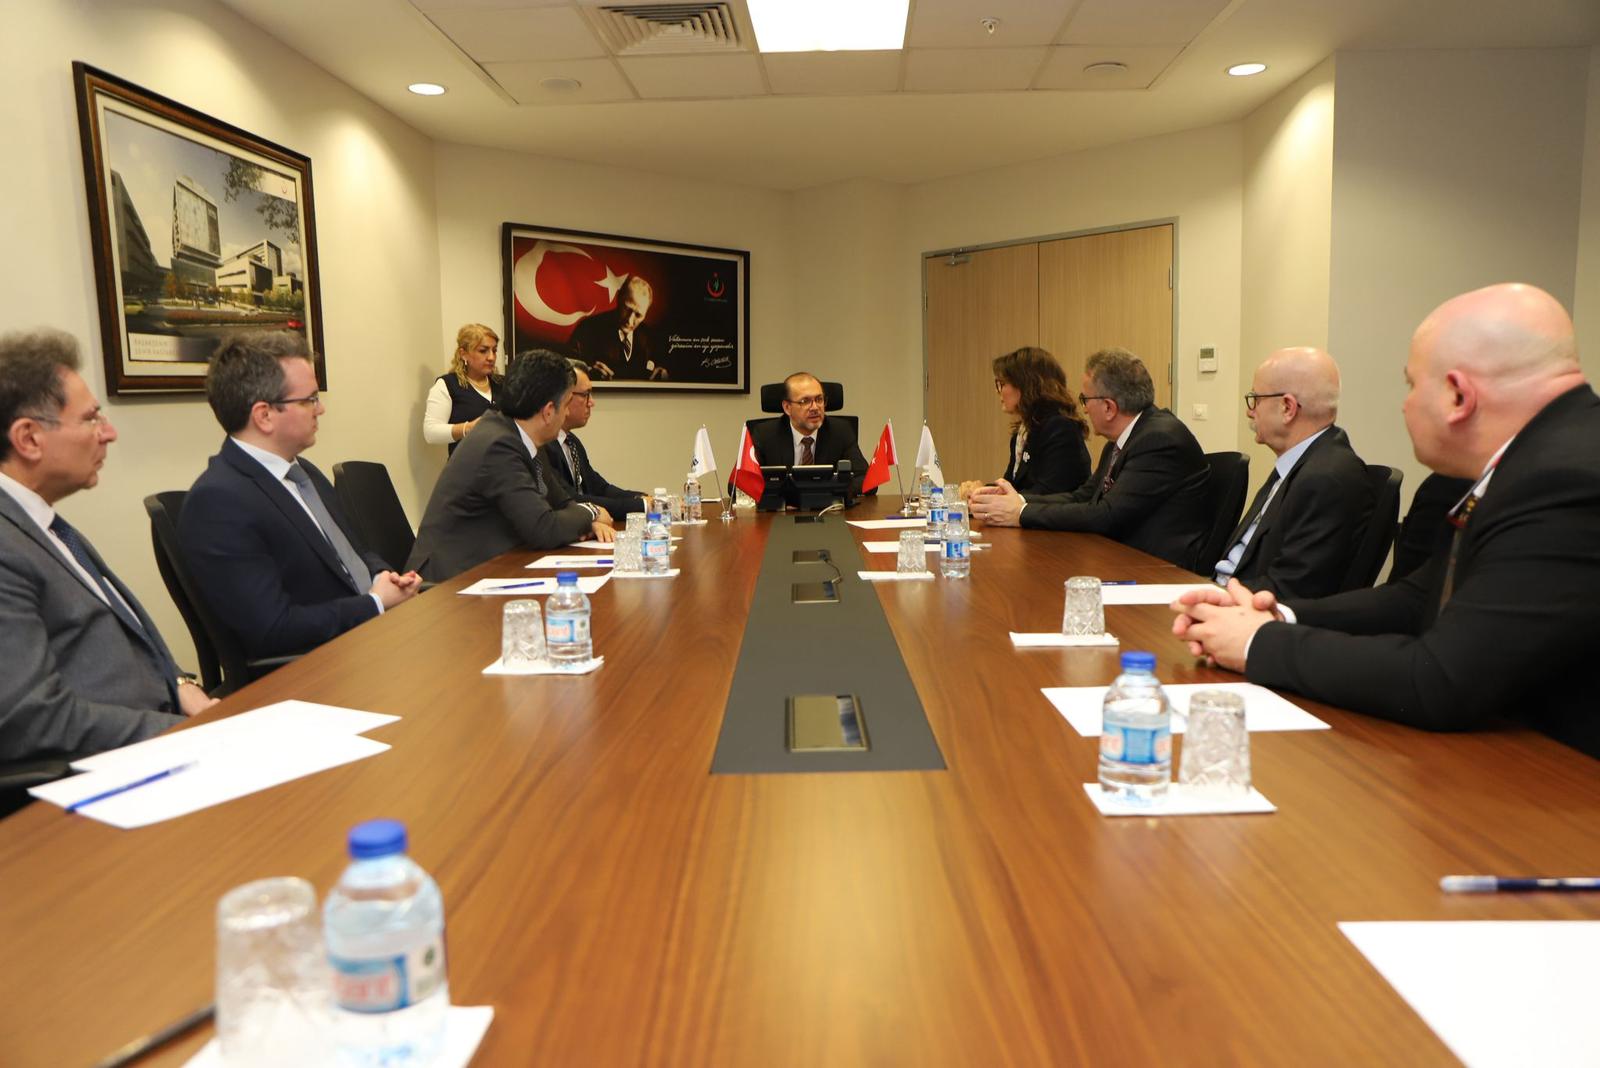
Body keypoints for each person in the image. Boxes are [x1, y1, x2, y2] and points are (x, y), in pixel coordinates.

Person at [1173, 283, 1600, 759]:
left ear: (1458, 395)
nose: (1405, 405)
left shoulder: (1566, 479)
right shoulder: (1543, 456)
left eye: (1412, 385)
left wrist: (1259, 643)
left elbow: (1441, 679)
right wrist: (1281, 615)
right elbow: (1421, 596)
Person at [0, 328, 214, 762]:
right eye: (91, 418)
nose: (109, 433)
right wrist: (184, 733)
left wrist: (178, 684)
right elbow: (32, 718)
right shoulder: (7, 546)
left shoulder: (42, 524)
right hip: (108, 772)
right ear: (28, 439)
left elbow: (115, 641)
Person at [180, 331, 421, 665]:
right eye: (309, 400)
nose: (320, 409)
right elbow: (272, 629)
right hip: (320, 669)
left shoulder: (303, 472)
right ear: (264, 415)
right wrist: (374, 603)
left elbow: (354, 554)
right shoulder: (218, 502)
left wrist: (384, 576)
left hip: (373, 643)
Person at [969, 347, 1208, 568]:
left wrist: (1021, 513)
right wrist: (1018, 502)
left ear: (1109, 407)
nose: (1083, 409)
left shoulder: (1159, 439)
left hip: (1157, 570)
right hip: (1121, 556)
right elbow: (1083, 496)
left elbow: (1107, 514)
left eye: (1085, 400)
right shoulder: (1123, 441)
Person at [407, 350, 617, 582]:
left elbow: (562, 502)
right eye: (567, 404)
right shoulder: (497, 445)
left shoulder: (522, 435)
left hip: (492, 568)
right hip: (446, 582)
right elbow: (543, 528)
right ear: (548, 412)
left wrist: (585, 519)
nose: (567, 412)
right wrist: (591, 512)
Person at [1213, 347, 1374, 599]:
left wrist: (1214, 597)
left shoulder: (1327, 479)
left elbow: (1291, 587)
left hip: (1246, 609)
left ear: (1287, 407)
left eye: (1255, 399)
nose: (1249, 411)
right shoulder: (1301, 463)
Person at [957, 346, 1090, 503]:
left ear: (1026, 384)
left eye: (1002, 384)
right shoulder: (1024, 432)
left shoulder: (1060, 428)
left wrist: (986, 495)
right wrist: (981, 491)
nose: (998, 391)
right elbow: (1011, 486)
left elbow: (1047, 493)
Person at [541, 362, 645, 517]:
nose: (591, 402)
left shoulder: (572, 441)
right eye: (585, 394)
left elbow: (600, 488)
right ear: (564, 397)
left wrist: (641, 498)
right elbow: (571, 499)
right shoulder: (543, 446)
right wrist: (641, 506)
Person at [747, 371, 870, 495]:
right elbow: (743, 483)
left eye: (819, 399)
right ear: (787, 407)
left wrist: (828, 495)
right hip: (782, 506)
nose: (815, 407)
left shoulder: (841, 431)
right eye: (805, 401)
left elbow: (866, 480)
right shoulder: (764, 435)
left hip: (829, 506)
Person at [422, 323, 504, 456]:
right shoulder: (448, 385)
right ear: (463, 354)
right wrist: (468, 428)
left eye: (494, 351)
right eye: (483, 351)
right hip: (467, 465)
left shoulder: (503, 383)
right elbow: (430, 433)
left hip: (504, 464)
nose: (491, 357)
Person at [569, 276, 664, 382]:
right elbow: (567, 367)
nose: (629, 320)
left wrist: (663, 373)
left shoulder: (650, 337)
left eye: (638, 315)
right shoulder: (587, 328)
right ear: (618, 298)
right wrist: (588, 371)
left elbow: (663, 364)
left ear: (645, 314)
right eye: (627, 309)